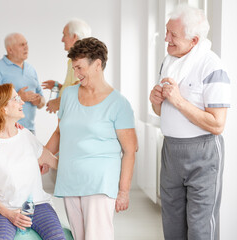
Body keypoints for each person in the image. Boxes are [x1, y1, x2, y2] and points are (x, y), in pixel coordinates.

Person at [149, 4, 230, 240]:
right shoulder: (169, 62)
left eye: (173, 35)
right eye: (167, 31)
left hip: (203, 154)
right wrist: (155, 101)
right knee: (172, 225)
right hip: (171, 151)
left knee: (200, 228)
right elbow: (161, 111)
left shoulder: (212, 66)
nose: (166, 39)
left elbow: (217, 124)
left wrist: (178, 100)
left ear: (194, 40)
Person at [46, 37, 138, 240]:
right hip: (70, 180)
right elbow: (59, 133)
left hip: (99, 183)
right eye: (74, 69)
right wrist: (44, 156)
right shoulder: (68, 95)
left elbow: (130, 150)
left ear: (97, 64)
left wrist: (123, 191)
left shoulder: (118, 103)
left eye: (79, 68)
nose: (76, 74)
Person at [0, 83, 66, 240]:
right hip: (2, 210)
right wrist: (8, 213)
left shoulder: (26, 136)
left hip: (38, 205)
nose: (22, 102)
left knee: (57, 237)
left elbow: (51, 160)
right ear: (3, 109)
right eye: (16, 99)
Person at [0, 33, 45, 134]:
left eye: (26, 44)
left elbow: (42, 101)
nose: (26, 47)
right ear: (10, 50)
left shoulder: (31, 69)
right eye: (22, 45)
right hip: (7, 130)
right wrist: (18, 98)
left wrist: (39, 100)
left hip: (30, 130)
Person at [42, 18, 91, 113]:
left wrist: (58, 102)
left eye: (64, 35)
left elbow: (80, 89)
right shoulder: (72, 60)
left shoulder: (82, 60)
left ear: (74, 37)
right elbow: (74, 86)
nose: (62, 40)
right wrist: (60, 87)